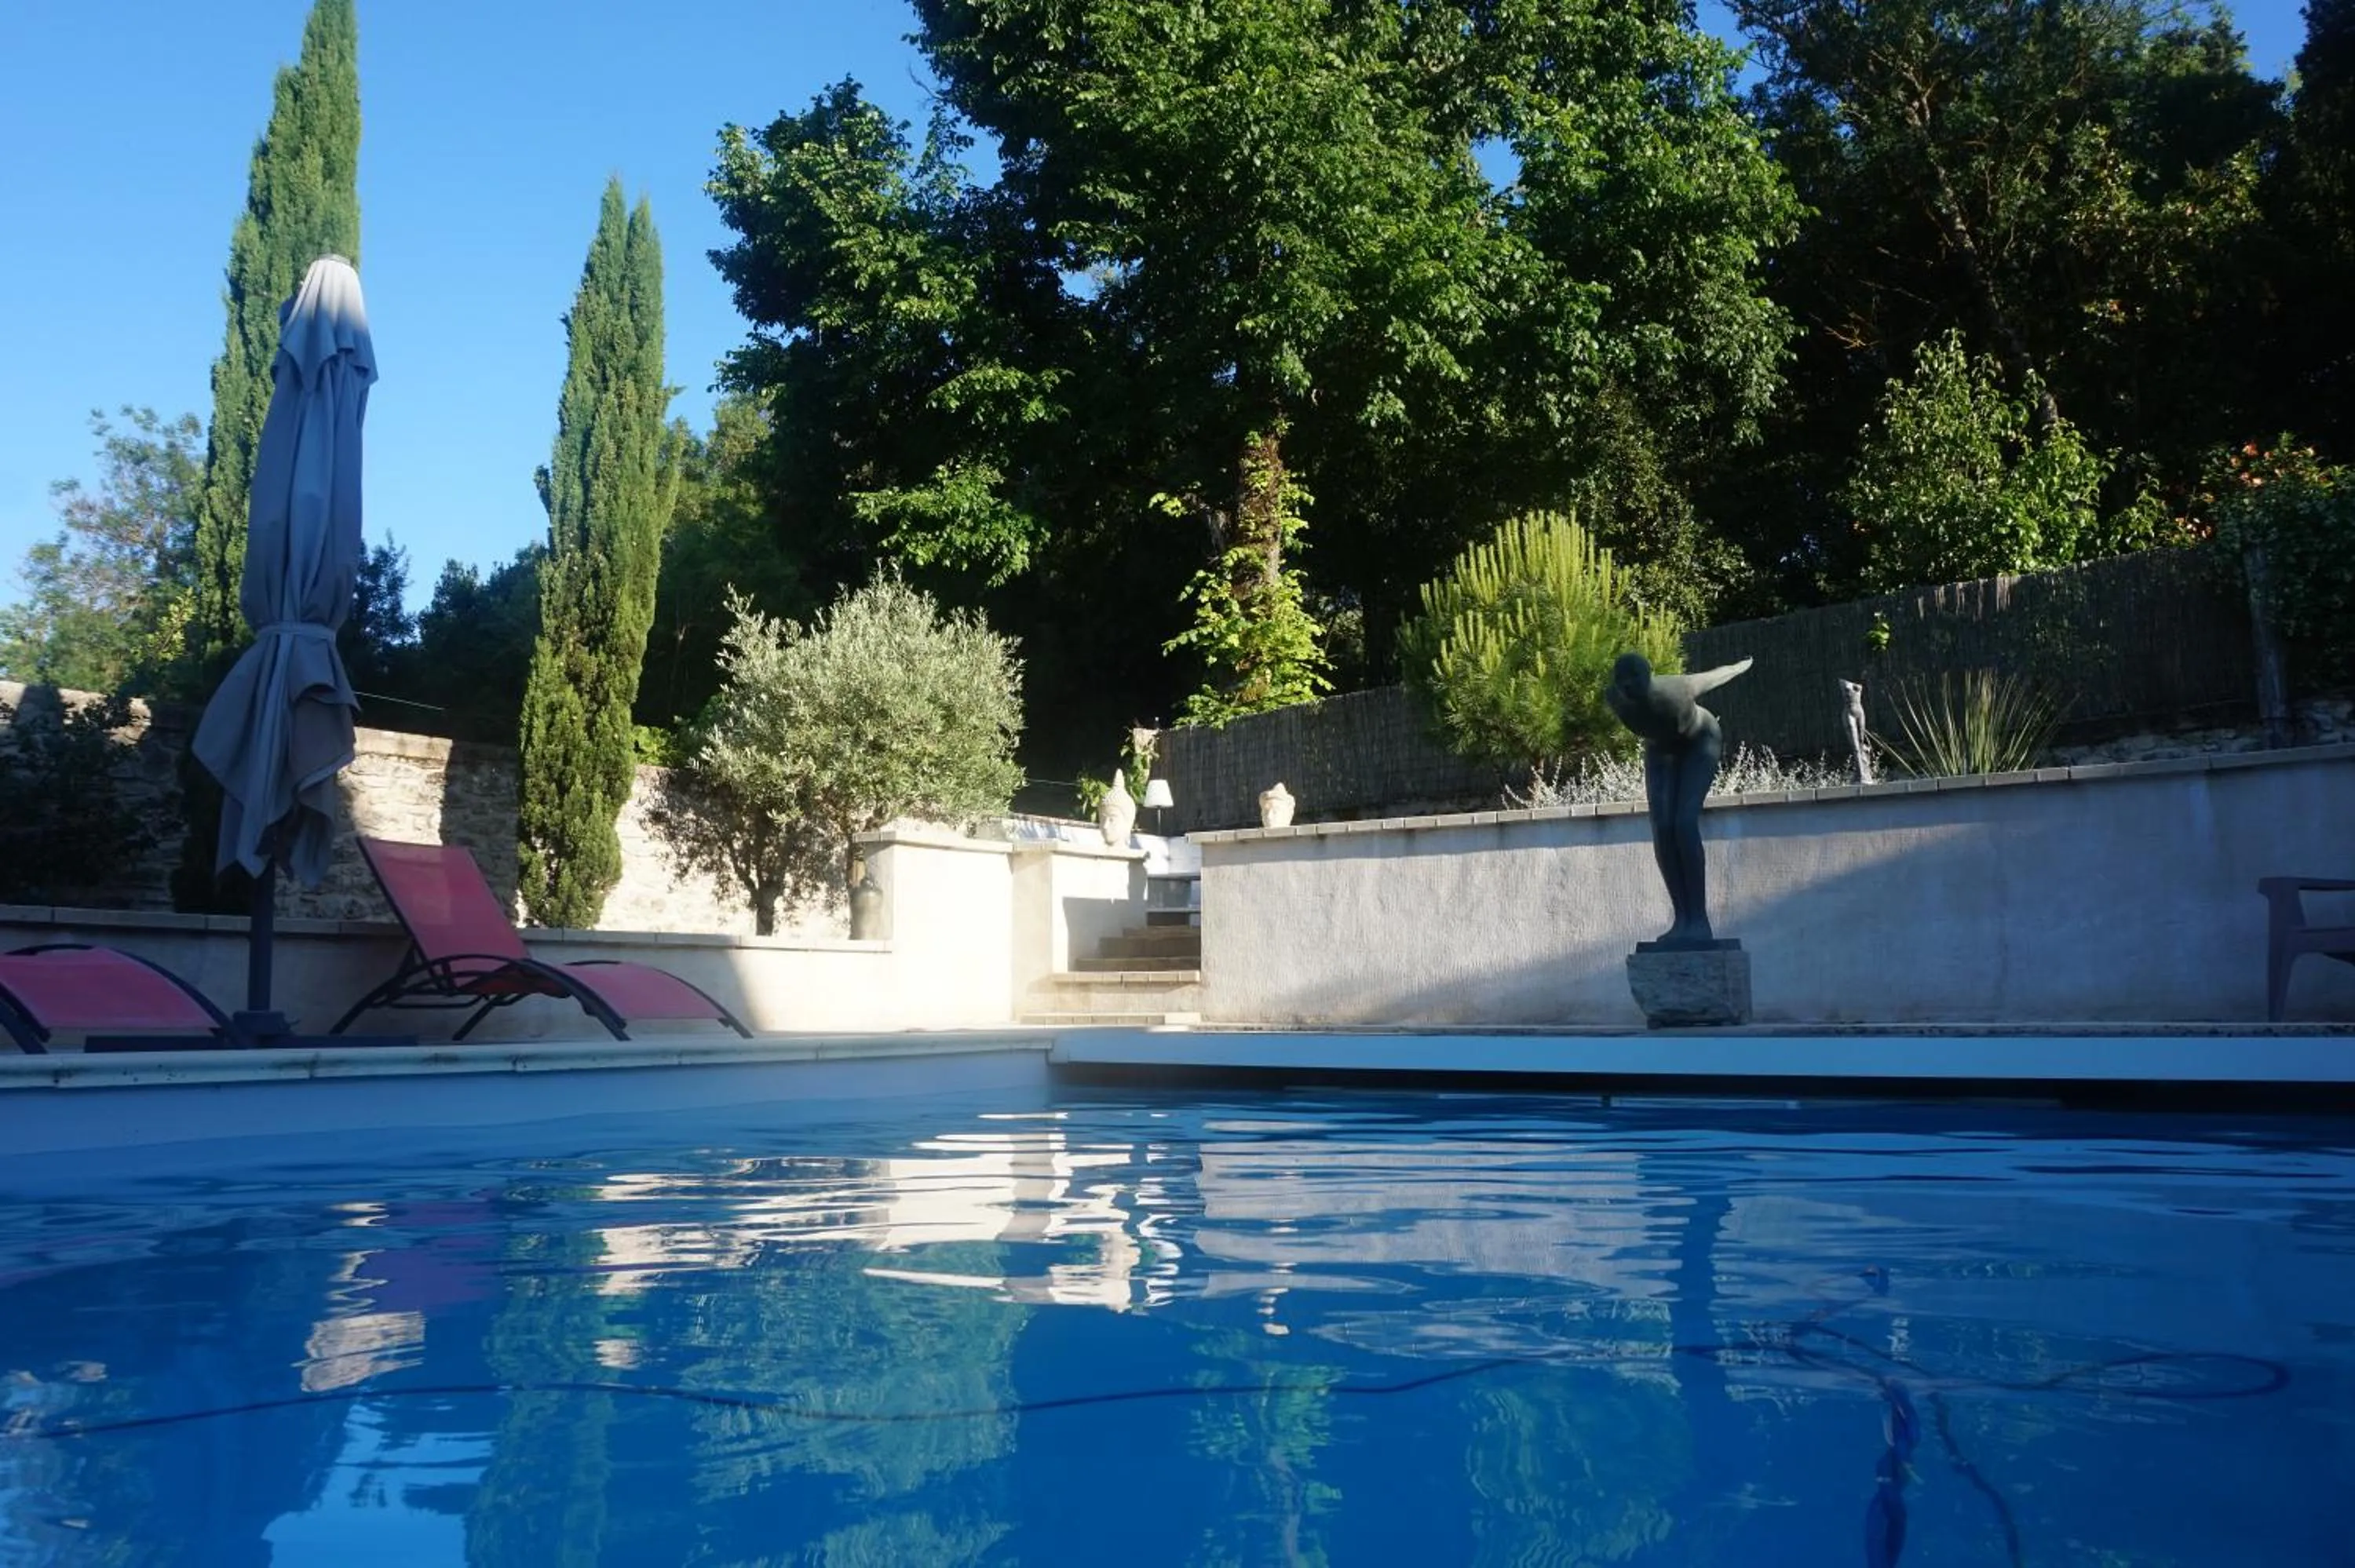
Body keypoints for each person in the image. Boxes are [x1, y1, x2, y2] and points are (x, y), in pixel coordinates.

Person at [1602, 652, 1753, 945]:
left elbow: (1718, 674)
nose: (1630, 686)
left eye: (1637, 678)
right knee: (1662, 829)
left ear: (1650, 675)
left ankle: (1698, 919)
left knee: (1684, 823)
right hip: (1661, 749)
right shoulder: (1614, 698)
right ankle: (1681, 918)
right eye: (1623, 681)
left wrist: (1740, 665)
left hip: (1700, 740)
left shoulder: (1677, 687)